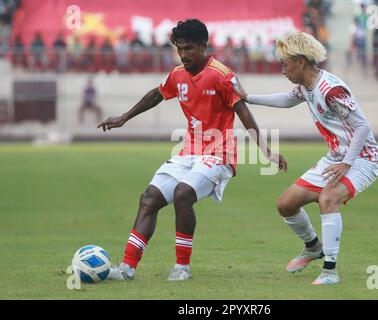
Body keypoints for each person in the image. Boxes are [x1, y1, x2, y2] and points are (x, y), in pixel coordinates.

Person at [97, 19, 287, 282]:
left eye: (188, 48)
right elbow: (156, 94)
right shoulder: (178, 74)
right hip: (189, 152)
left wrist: (266, 151)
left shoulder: (222, 75)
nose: (184, 54)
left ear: (203, 45)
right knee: (149, 198)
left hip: (220, 155)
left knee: (182, 193)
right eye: (179, 49)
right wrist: (124, 117)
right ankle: (127, 268)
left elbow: (244, 113)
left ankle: (182, 268)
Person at [232, 32, 378, 285]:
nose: (282, 70)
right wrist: (248, 98)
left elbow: (363, 127)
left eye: (285, 64)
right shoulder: (305, 86)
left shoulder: (330, 89)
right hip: (335, 158)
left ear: (300, 62)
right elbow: (287, 100)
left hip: (362, 159)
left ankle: (330, 271)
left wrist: (346, 163)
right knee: (285, 204)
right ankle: (313, 247)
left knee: (328, 198)